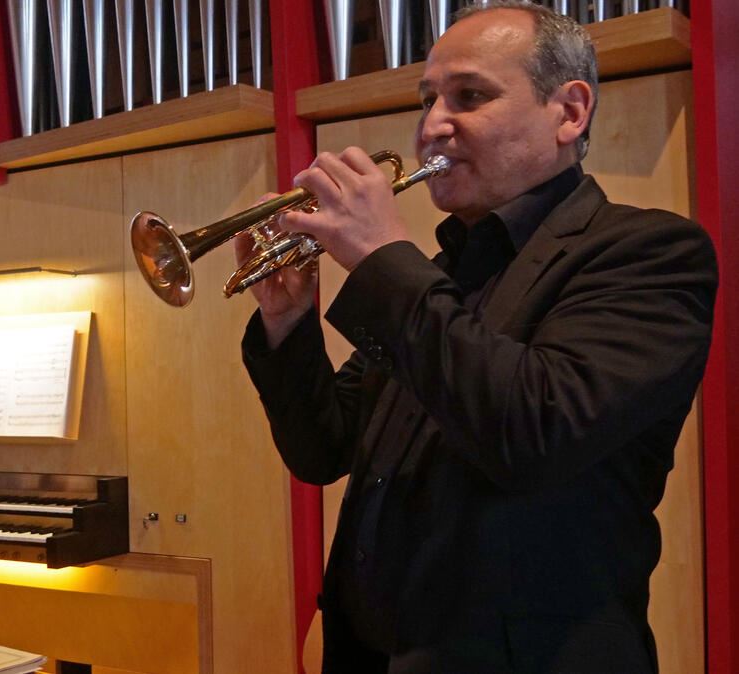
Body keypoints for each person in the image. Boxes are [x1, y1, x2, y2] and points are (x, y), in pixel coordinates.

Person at [239, 2, 716, 672]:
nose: (432, 127)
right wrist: (287, 323)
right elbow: (323, 449)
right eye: (427, 100)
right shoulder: (437, 280)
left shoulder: (648, 253)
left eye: (469, 96)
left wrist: (383, 259)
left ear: (569, 112)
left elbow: (534, 429)